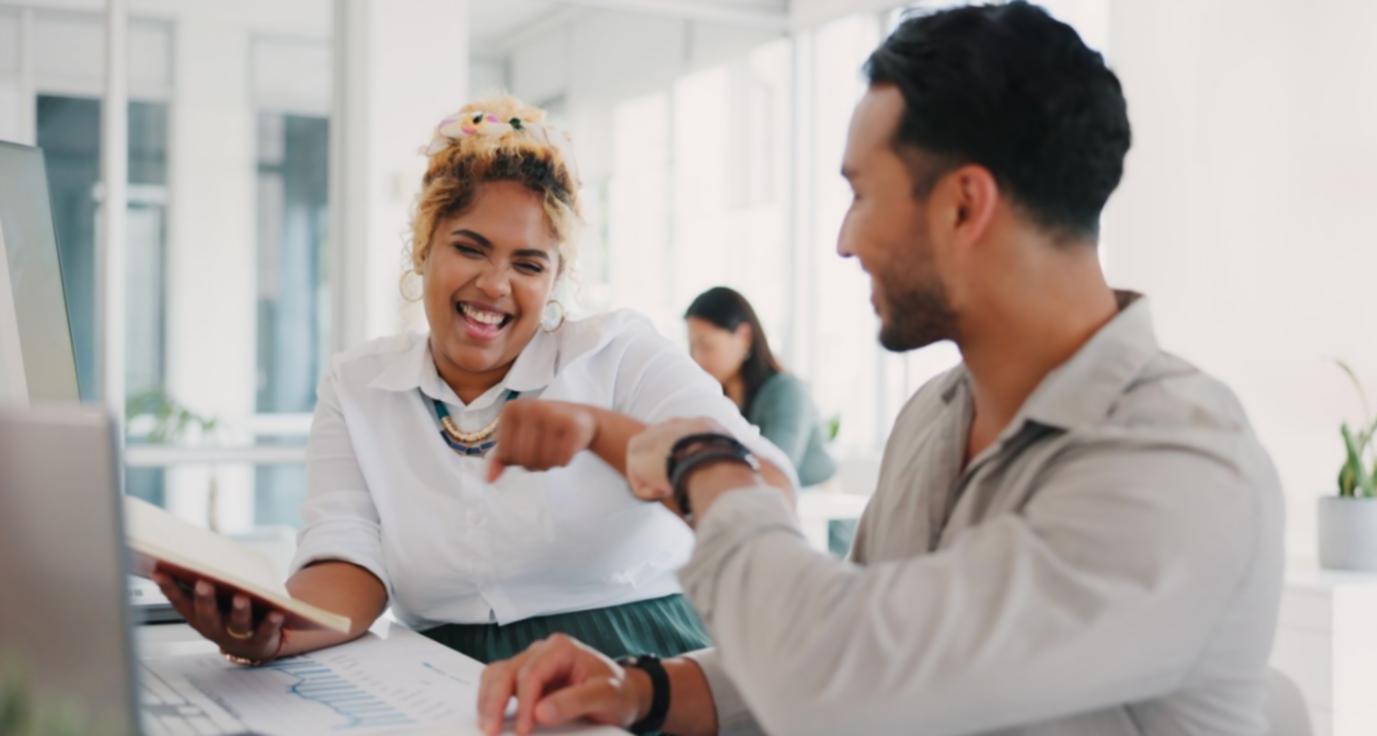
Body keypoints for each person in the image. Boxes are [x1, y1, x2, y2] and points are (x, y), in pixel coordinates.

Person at [475, 4, 1284, 735]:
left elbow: (838, 679)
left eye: (861, 194)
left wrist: (705, 464)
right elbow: (861, 636)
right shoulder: (935, 415)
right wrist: (642, 689)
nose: (844, 240)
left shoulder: (1179, 467)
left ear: (965, 206)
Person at [152, 96, 796, 669]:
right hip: (443, 675)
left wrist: (602, 432)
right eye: (470, 247)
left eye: (527, 263)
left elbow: (764, 490)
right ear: (422, 247)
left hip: (636, 662)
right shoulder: (358, 384)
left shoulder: (618, 353)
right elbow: (347, 557)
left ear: (553, 279)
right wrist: (277, 632)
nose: (495, 284)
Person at [685, 287, 836, 487]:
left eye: (706, 346)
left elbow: (774, 468)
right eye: (692, 347)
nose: (697, 358)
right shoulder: (718, 397)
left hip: (819, 509)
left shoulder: (788, 391)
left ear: (744, 336)